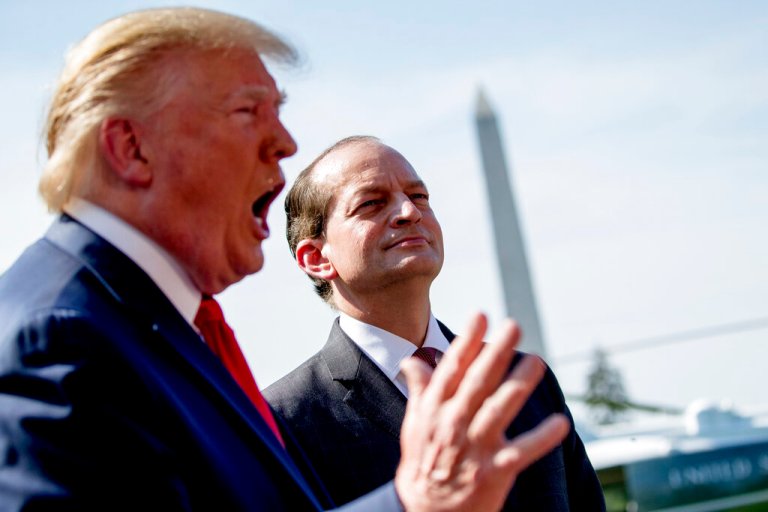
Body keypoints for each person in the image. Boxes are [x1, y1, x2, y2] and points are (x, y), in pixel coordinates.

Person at [0, 7, 570, 511]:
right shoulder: (61, 338)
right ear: (131, 148)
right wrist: (412, 504)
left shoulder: (155, 331)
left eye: (279, 109)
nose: (286, 143)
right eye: (249, 111)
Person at [264, 135, 606, 510]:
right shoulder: (281, 422)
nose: (409, 212)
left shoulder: (525, 380)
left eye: (420, 197)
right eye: (371, 203)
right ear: (316, 258)